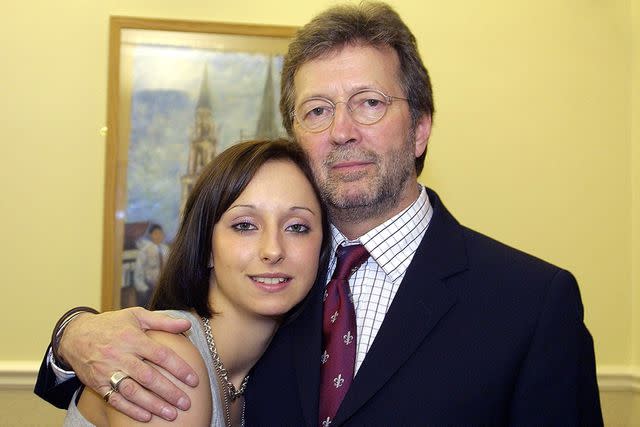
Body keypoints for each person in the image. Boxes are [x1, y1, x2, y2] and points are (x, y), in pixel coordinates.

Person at [35, 2, 603, 425]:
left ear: (421, 128)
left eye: (369, 103)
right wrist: (71, 337)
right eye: (317, 110)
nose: (342, 132)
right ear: (296, 136)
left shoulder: (531, 302)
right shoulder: (277, 286)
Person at [60, 138, 330, 426]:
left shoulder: (266, 373)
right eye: (245, 226)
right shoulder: (169, 362)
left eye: (297, 227)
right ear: (206, 248)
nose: (273, 250)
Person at [133, 223, 170, 308]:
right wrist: (142, 287)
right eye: (156, 234)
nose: (158, 236)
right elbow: (139, 269)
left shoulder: (166, 249)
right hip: (149, 287)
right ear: (151, 235)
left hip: (162, 286)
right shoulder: (145, 250)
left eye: (160, 233)